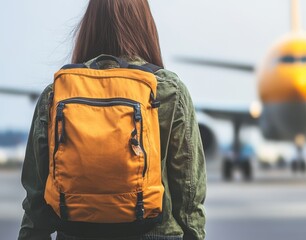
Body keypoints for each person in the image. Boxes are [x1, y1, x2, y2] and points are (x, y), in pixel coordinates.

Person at [18, 0, 207, 239]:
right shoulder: (168, 91)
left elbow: (35, 203)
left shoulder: (56, 94)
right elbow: (189, 198)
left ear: (89, 28)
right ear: (145, 26)